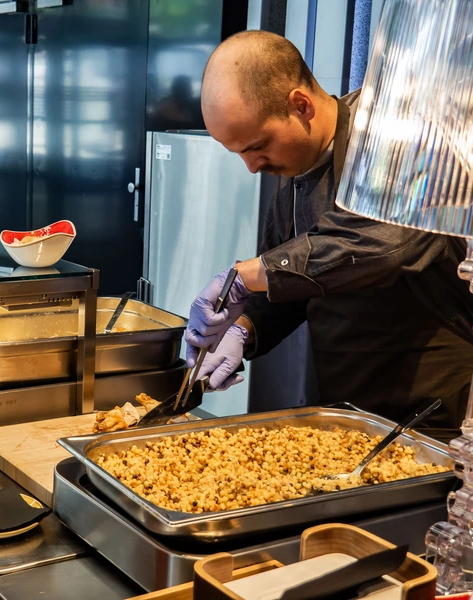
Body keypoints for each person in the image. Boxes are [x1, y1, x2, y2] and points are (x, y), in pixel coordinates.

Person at [186, 30, 473, 431]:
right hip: (344, 399)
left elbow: (384, 242)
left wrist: (246, 275)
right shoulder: (295, 168)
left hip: (433, 403)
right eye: (239, 153)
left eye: (257, 146)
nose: (252, 167)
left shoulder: (397, 134)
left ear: (300, 105)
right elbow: (290, 282)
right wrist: (242, 329)